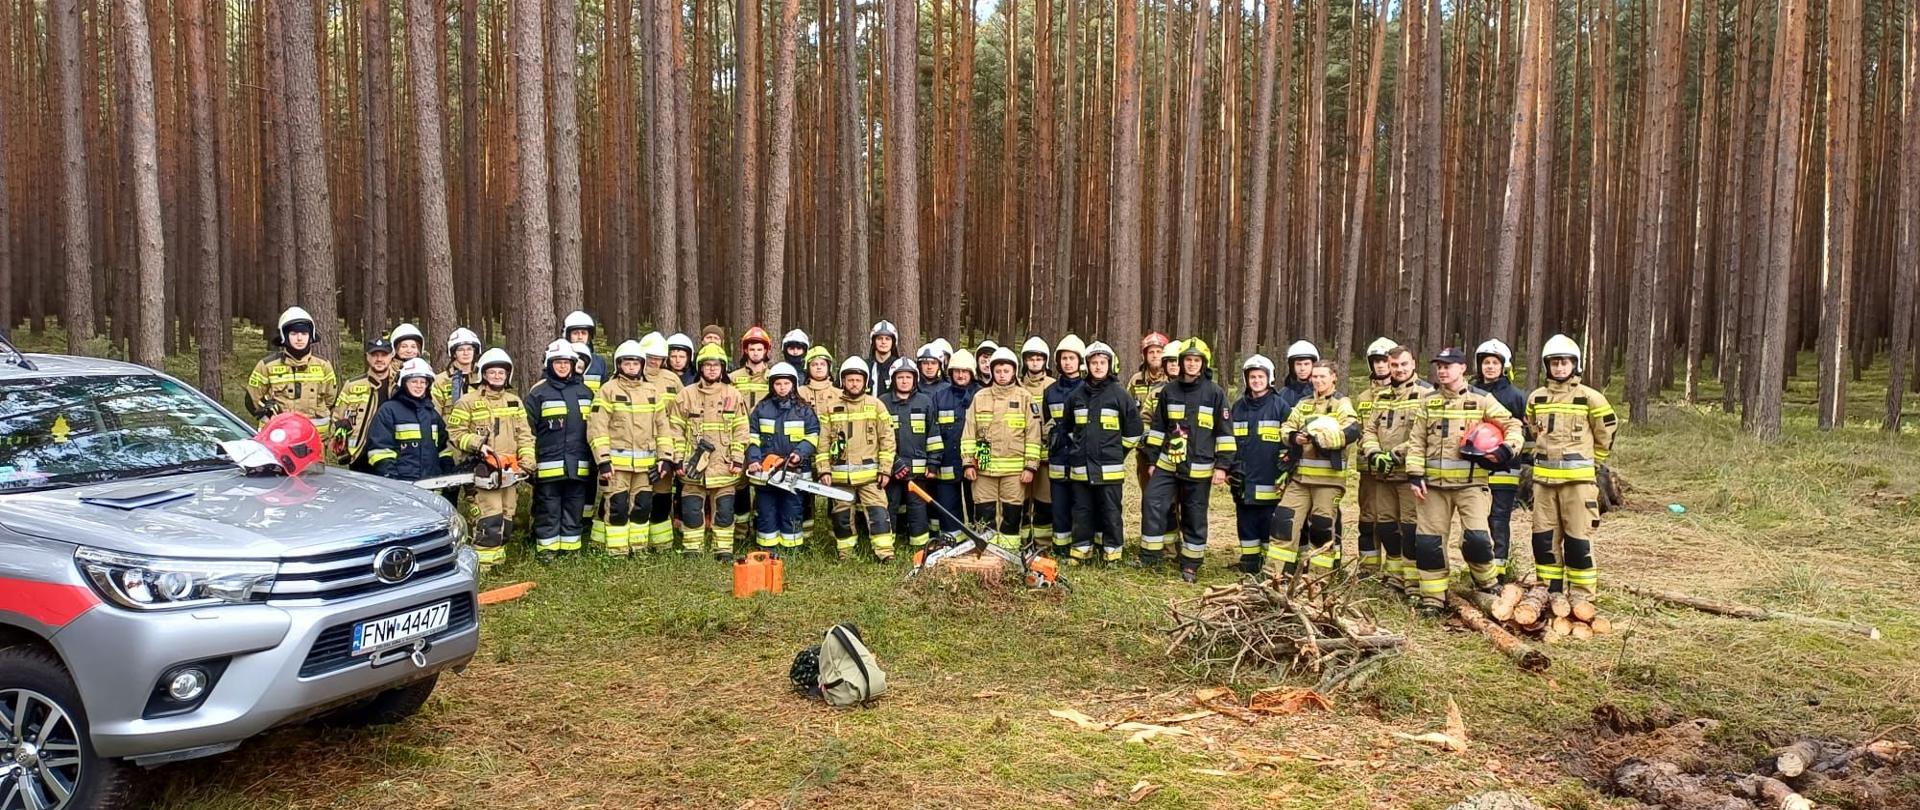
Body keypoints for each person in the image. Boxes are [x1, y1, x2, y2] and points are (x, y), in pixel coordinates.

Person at [1404, 347, 1523, 615]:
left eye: (1448, 366)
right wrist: (1415, 474)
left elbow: (1513, 425)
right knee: (1429, 544)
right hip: (1433, 487)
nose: (1442, 371)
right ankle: (1433, 598)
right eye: (1439, 366)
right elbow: (1416, 441)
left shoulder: (1481, 400)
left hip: (1471, 485)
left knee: (1477, 539)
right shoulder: (1428, 402)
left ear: (1462, 368)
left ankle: (1487, 583)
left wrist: (1507, 449)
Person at [1525, 335, 1618, 618]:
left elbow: (1606, 433)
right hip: (1543, 485)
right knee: (1543, 541)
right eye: (1554, 362)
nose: (1559, 367)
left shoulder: (1590, 398)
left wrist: (1594, 462)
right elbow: (1533, 430)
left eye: (1564, 362)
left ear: (1575, 364)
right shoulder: (1536, 398)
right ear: (1547, 366)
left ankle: (1581, 598)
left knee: (1578, 541)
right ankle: (1549, 594)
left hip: (1578, 485)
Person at [1140, 338, 1233, 582]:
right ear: (1181, 362)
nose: (1191, 364)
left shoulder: (1215, 393)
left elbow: (1225, 433)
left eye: (1196, 360)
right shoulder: (1169, 391)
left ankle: (1191, 563)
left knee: (1194, 515)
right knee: (1152, 501)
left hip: (1199, 468)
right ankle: (1150, 557)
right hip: (1168, 464)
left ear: (1203, 363)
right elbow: (1158, 428)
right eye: (1188, 360)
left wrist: (1222, 466)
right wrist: (1152, 461)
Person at [447, 348, 538, 566]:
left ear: (508, 375)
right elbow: (455, 433)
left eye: (501, 373)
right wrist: (478, 445)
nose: (497, 376)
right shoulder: (467, 401)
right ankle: (483, 564)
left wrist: (527, 462)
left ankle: (498, 559)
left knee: (508, 512)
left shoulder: (514, 401)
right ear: (484, 374)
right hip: (482, 466)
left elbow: (524, 435)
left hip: (509, 469)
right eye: (492, 372)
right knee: (490, 515)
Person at [586, 340, 678, 557]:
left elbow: (663, 427)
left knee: (642, 507)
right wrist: (603, 461)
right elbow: (597, 427)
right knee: (617, 507)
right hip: (616, 466)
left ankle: (638, 549)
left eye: (635, 363)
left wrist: (665, 458)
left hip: (645, 466)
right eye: (627, 363)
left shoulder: (651, 391)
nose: (631, 367)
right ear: (619, 365)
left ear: (642, 365)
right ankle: (617, 551)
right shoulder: (607, 390)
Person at [1271, 362, 1362, 578]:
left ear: (1334, 377)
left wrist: (1321, 438)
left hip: (1328, 481)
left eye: (1323, 376)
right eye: (1315, 376)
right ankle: (1274, 575)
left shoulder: (1342, 404)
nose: (1318, 381)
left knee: (1322, 529)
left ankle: (1317, 579)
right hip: (1300, 479)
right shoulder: (1304, 404)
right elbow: (1286, 427)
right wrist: (1294, 437)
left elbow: (1351, 430)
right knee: (1283, 522)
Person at [1359, 345, 1433, 596]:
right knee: (1387, 527)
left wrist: (1395, 455)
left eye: (1403, 364)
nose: (1399, 369)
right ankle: (1394, 578)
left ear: (1413, 364)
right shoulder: (1381, 397)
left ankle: (1413, 583)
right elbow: (1369, 430)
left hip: (1408, 475)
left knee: (1410, 529)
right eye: (1394, 365)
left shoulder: (1426, 395)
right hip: (1383, 475)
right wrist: (1373, 453)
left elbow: (1422, 435)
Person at [1063, 342, 1142, 564]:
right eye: (1094, 363)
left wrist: (1117, 452)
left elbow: (1134, 431)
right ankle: (1081, 552)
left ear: (1110, 365)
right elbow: (1068, 428)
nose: (1098, 367)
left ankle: (1112, 554)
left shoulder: (1120, 395)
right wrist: (1080, 449)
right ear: (1087, 366)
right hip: (1081, 468)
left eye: (1102, 363)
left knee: (1111, 512)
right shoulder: (1076, 396)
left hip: (1110, 469)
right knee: (1082, 511)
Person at [674, 344, 751, 560]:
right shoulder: (686, 395)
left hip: (724, 465)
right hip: (692, 465)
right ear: (700, 367)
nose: (711, 369)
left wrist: (737, 458)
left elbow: (741, 430)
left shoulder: (733, 395)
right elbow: (675, 429)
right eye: (707, 365)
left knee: (725, 510)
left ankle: (723, 549)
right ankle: (692, 548)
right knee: (691, 508)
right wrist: (677, 459)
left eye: (716, 365)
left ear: (723, 368)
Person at [819, 356, 898, 560]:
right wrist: (824, 470)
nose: (854, 384)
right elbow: (823, 442)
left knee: (878, 513)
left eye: (858, 380)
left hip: (871, 476)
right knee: (842, 516)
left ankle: (885, 553)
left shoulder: (876, 405)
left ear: (865, 382)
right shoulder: (831, 407)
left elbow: (887, 439)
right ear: (843, 381)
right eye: (850, 380)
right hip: (839, 476)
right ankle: (845, 553)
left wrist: (885, 470)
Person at [961, 348, 1039, 552]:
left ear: (1014, 371)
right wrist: (968, 463)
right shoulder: (980, 397)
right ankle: (986, 551)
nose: (1002, 375)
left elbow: (1033, 435)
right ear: (992, 372)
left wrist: (1030, 467)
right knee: (984, 510)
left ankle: (1008, 552)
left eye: (1006, 371)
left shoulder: (1025, 397)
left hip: (1014, 469)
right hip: (984, 465)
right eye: (998, 371)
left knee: (1011, 512)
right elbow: (969, 431)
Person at [525, 338, 596, 560]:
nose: (563, 366)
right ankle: (547, 549)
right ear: (550, 364)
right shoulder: (538, 394)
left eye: (567, 362)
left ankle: (570, 548)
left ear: (573, 364)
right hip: (548, 464)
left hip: (578, 463)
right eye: (558, 362)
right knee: (549, 507)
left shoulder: (586, 393)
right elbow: (527, 431)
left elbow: (595, 430)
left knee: (574, 505)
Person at [1225, 355, 1290, 574]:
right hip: (1243, 478)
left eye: (1261, 376)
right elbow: (1229, 441)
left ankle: (1269, 566)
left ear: (1269, 378)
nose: (1256, 381)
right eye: (1252, 377)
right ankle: (1249, 562)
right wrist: (1230, 468)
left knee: (1268, 522)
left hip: (1270, 477)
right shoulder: (1238, 407)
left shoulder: (1280, 406)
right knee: (1245, 521)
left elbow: (1289, 443)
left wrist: (1284, 469)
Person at [1472, 339, 1530, 583]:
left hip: (1506, 468)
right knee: (1476, 520)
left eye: (1495, 362)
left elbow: (1527, 433)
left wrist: (1520, 458)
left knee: (1498, 518)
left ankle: (1500, 570)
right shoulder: (1470, 393)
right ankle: (1479, 570)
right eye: (1486, 362)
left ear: (1504, 366)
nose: (1490, 367)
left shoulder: (1517, 397)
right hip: (1474, 468)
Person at [746, 362, 819, 553]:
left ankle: (792, 547)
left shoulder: (804, 410)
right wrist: (754, 460)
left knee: (792, 509)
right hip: (766, 470)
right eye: (778, 384)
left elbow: (812, 435)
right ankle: (767, 547)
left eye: (786, 383)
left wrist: (799, 453)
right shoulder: (761, 408)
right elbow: (752, 437)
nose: (782, 387)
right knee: (766, 509)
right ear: (772, 385)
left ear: (793, 384)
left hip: (794, 470)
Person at [365, 358, 454, 485]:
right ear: (404, 383)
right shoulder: (389, 410)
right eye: (414, 381)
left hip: (431, 482)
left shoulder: (431, 413)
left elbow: (443, 449)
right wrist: (391, 478)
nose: (419, 385)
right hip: (401, 484)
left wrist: (447, 470)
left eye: (423, 382)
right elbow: (379, 450)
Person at [246, 306, 339, 429]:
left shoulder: (323, 366)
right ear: (284, 336)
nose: (299, 338)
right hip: (278, 435)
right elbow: (252, 400)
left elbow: (331, 401)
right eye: (294, 333)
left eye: (304, 333)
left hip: (316, 436)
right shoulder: (267, 366)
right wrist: (266, 410)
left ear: (311, 336)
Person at [1352, 337, 1399, 577]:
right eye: (1376, 361)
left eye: (1384, 360)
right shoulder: (1362, 398)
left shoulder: (1406, 394)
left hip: (1395, 469)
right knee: (1367, 519)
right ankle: (1368, 569)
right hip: (1368, 470)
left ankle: (1395, 571)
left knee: (1392, 522)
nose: (1380, 365)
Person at [637, 331, 685, 552]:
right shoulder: (631, 376)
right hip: (637, 444)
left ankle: (661, 541)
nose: (654, 361)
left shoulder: (672, 380)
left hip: (665, 443)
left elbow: (683, 410)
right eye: (650, 357)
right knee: (638, 493)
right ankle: (638, 539)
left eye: (658, 358)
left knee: (663, 492)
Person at [882, 359, 936, 551]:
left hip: (918, 472)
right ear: (893, 379)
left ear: (915, 379)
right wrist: (892, 464)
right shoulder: (883, 402)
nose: (904, 381)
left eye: (908, 377)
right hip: (892, 470)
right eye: (900, 377)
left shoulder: (925, 402)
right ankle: (886, 544)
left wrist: (933, 463)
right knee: (889, 505)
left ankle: (919, 546)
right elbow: (879, 438)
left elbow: (933, 435)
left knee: (917, 508)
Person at [1040, 335, 1087, 557]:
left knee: (1082, 505)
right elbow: (1046, 423)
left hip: (1081, 458)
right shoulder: (1051, 391)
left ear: (1080, 361)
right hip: (1058, 458)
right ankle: (1060, 548)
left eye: (1072, 358)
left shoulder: (1088, 389)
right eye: (1064, 358)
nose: (1067, 362)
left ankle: (1081, 546)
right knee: (1059, 506)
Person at [928, 350, 981, 540]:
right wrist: (934, 462)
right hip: (946, 461)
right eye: (956, 371)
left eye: (965, 371)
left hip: (975, 462)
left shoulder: (981, 395)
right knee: (948, 504)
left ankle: (977, 539)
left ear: (972, 373)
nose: (960, 375)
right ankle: (952, 540)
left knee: (977, 502)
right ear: (950, 373)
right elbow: (933, 431)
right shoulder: (939, 396)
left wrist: (980, 459)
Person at [730, 326, 777, 538]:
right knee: (738, 485)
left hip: (766, 441)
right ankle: (740, 531)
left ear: (766, 351)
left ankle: (760, 527)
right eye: (752, 349)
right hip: (738, 439)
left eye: (759, 349)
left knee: (763, 485)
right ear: (745, 351)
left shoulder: (773, 377)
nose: (756, 353)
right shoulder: (733, 378)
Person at [330, 337, 398, 471]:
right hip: (360, 454)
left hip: (394, 453)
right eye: (374, 355)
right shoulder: (352, 385)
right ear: (367, 357)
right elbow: (337, 418)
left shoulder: (400, 384)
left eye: (384, 355)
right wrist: (341, 447)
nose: (379, 359)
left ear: (391, 356)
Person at [1017, 337, 1058, 548]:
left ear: (1045, 361)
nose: (1034, 362)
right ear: (1024, 361)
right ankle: (1023, 541)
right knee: (1021, 501)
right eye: (1030, 359)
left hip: (1045, 455)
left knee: (1044, 501)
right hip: (1020, 454)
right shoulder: (1017, 386)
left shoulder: (1053, 386)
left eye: (1038, 359)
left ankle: (1043, 544)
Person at [1127, 333, 1171, 488]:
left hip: (1166, 446)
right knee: (1147, 490)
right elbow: (1128, 409)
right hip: (1143, 446)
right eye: (1151, 352)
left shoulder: (1171, 380)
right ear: (1144, 355)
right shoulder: (1136, 380)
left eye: (1159, 351)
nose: (1155, 355)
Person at [433, 328, 483, 413]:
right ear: (454, 354)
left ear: (474, 351)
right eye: (461, 350)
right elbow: (435, 413)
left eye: (469, 349)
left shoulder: (482, 377)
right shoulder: (440, 381)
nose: (466, 353)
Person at [562, 310, 610, 393]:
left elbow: (605, 391)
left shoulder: (599, 362)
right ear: (567, 335)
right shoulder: (559, 360)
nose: (580, 337)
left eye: (584, 333)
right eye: (575, 333)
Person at [1275, 340, 1318, 411]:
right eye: (1298, 364)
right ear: (1292, 366)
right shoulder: (1283, 394)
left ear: (1313, 365)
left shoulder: (1321, 392)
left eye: (1306, 364)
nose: (1302, 368)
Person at [864, 320, 903, 393]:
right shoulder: (865, 366)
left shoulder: (900, 366)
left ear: (893, 342)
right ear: (873, 341)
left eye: (887, 339)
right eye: (879, 338)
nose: (883, 342)